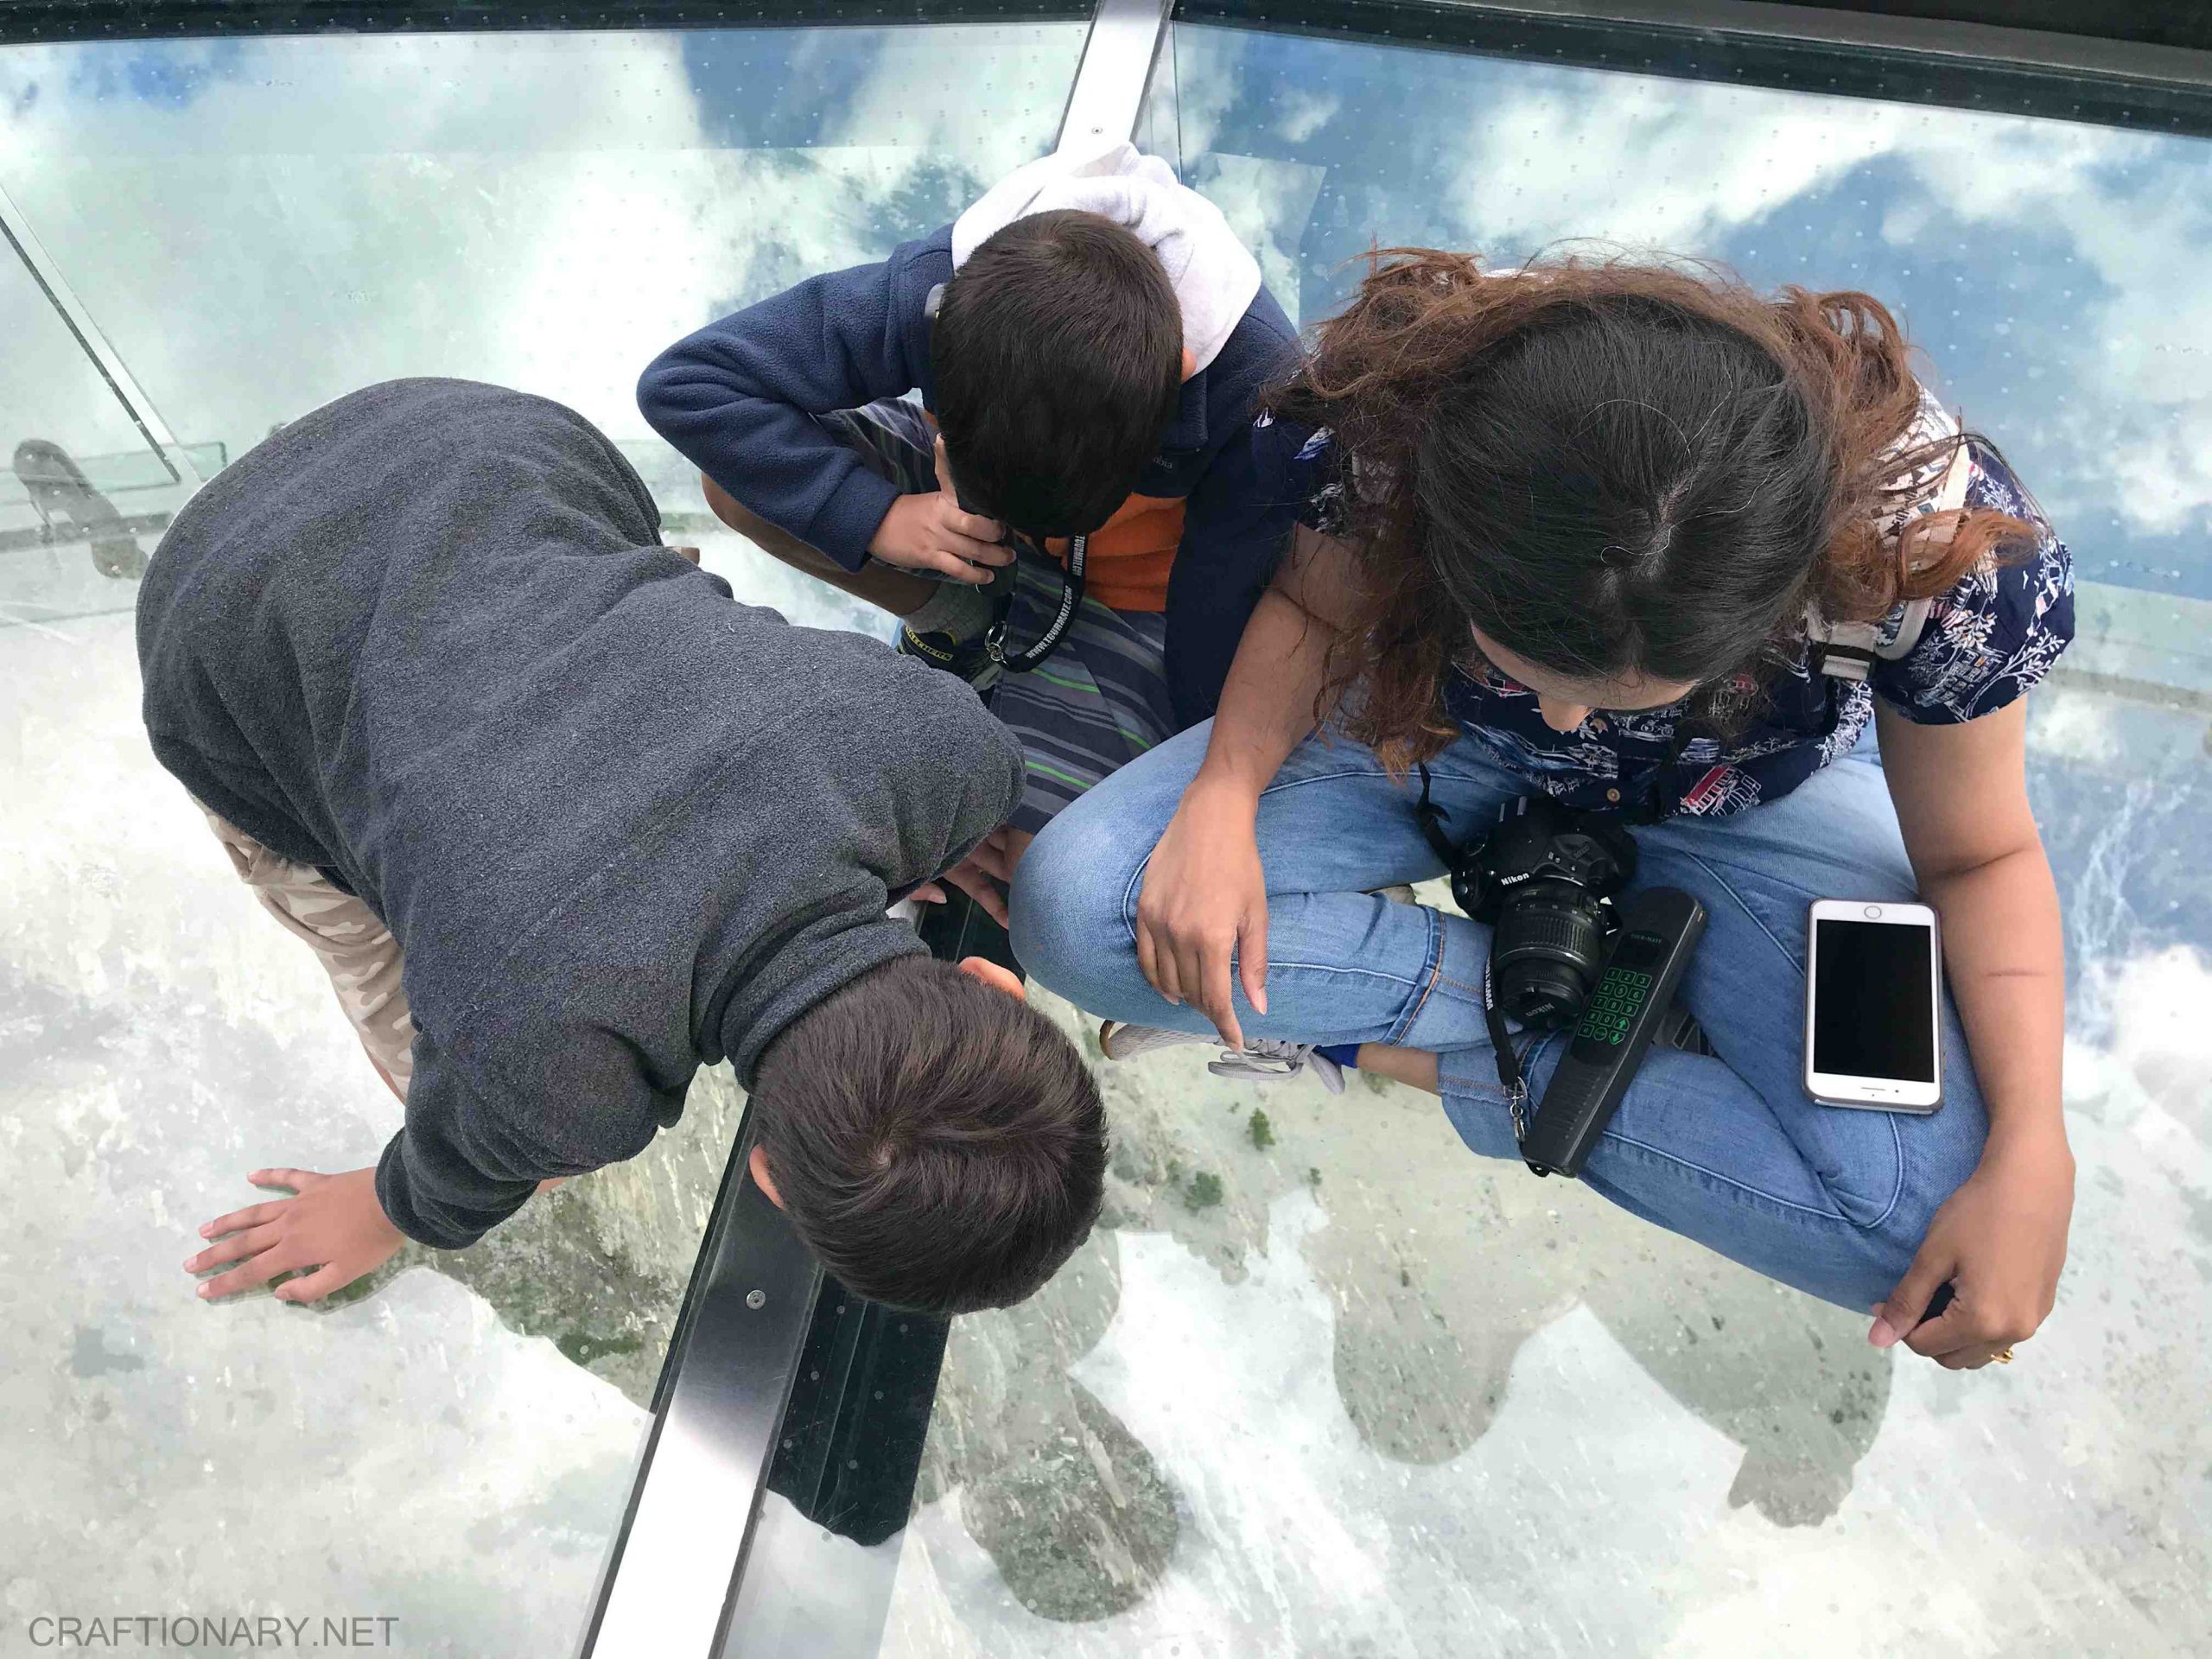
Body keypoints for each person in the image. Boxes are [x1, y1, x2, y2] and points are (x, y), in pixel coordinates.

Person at [1014, 253, 2075, 1370]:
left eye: (1629, 690)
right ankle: (1619, 1032)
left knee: (1930, 1238)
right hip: (1441, 734)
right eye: (1531, 662)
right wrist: (1223, 799)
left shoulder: (1932, 549)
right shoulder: (1397, 415)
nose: (1568, 721)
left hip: (1752, 799)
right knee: (1085, 906)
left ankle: (1389, 1033)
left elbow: (1980, 853)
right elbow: (1313, 609)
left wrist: (2034, 1141)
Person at [146, 378, 1105, 1317]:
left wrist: (916, 834)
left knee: (651, 610)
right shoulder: (545, 1085)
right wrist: (393, 1211)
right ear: (766, 1174)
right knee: (398, 990)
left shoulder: (953, 754)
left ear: (991, 981)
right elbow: (459, 1163)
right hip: (217, 624)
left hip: (465, 435)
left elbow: (847, 745)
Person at [636, 141, 1301, 892]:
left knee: (1044, 874)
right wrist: (883, 515)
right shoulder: (938, 288)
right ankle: (964, 624)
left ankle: (1003, 653)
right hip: (971, 531)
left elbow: (1215, 620)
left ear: (1172, 379)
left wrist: (1179, 795)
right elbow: (689, 383)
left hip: (1143, 605)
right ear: (941, 331)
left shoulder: (1265, 396)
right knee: (736, 483)